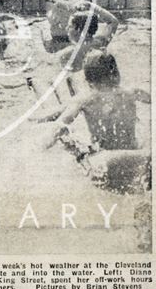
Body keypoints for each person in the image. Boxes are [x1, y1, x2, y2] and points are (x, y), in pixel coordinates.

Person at [40, 51, 151, 192]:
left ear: (87, 80)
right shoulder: (132, 92)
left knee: (70, 145)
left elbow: (60, 125)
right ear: (116, 74)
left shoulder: (85, 98)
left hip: (106, 160)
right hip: (138, 156)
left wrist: (44, 145)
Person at [58, 5, 119, 74]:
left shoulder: (67, 55)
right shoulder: (100, 42)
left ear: (79, 30)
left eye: (70, 26)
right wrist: (91, 6)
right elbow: (113, 22)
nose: (67, 29)